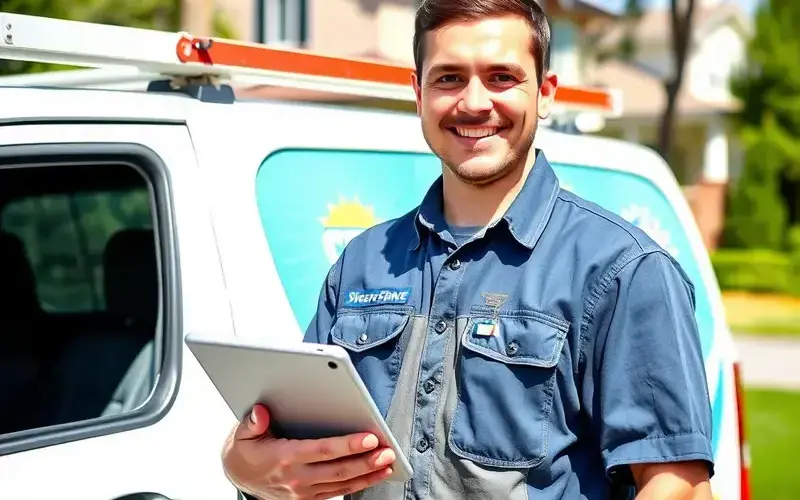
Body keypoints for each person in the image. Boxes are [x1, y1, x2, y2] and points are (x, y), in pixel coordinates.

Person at [221, 0, 715, 498]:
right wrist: (245, 468)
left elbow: (679, 487)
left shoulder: (625, 270)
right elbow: (298, 450)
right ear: (418, 93)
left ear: (544, 93)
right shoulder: (361, 263)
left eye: (501, 77)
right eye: (449, 78)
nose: (474, 103)